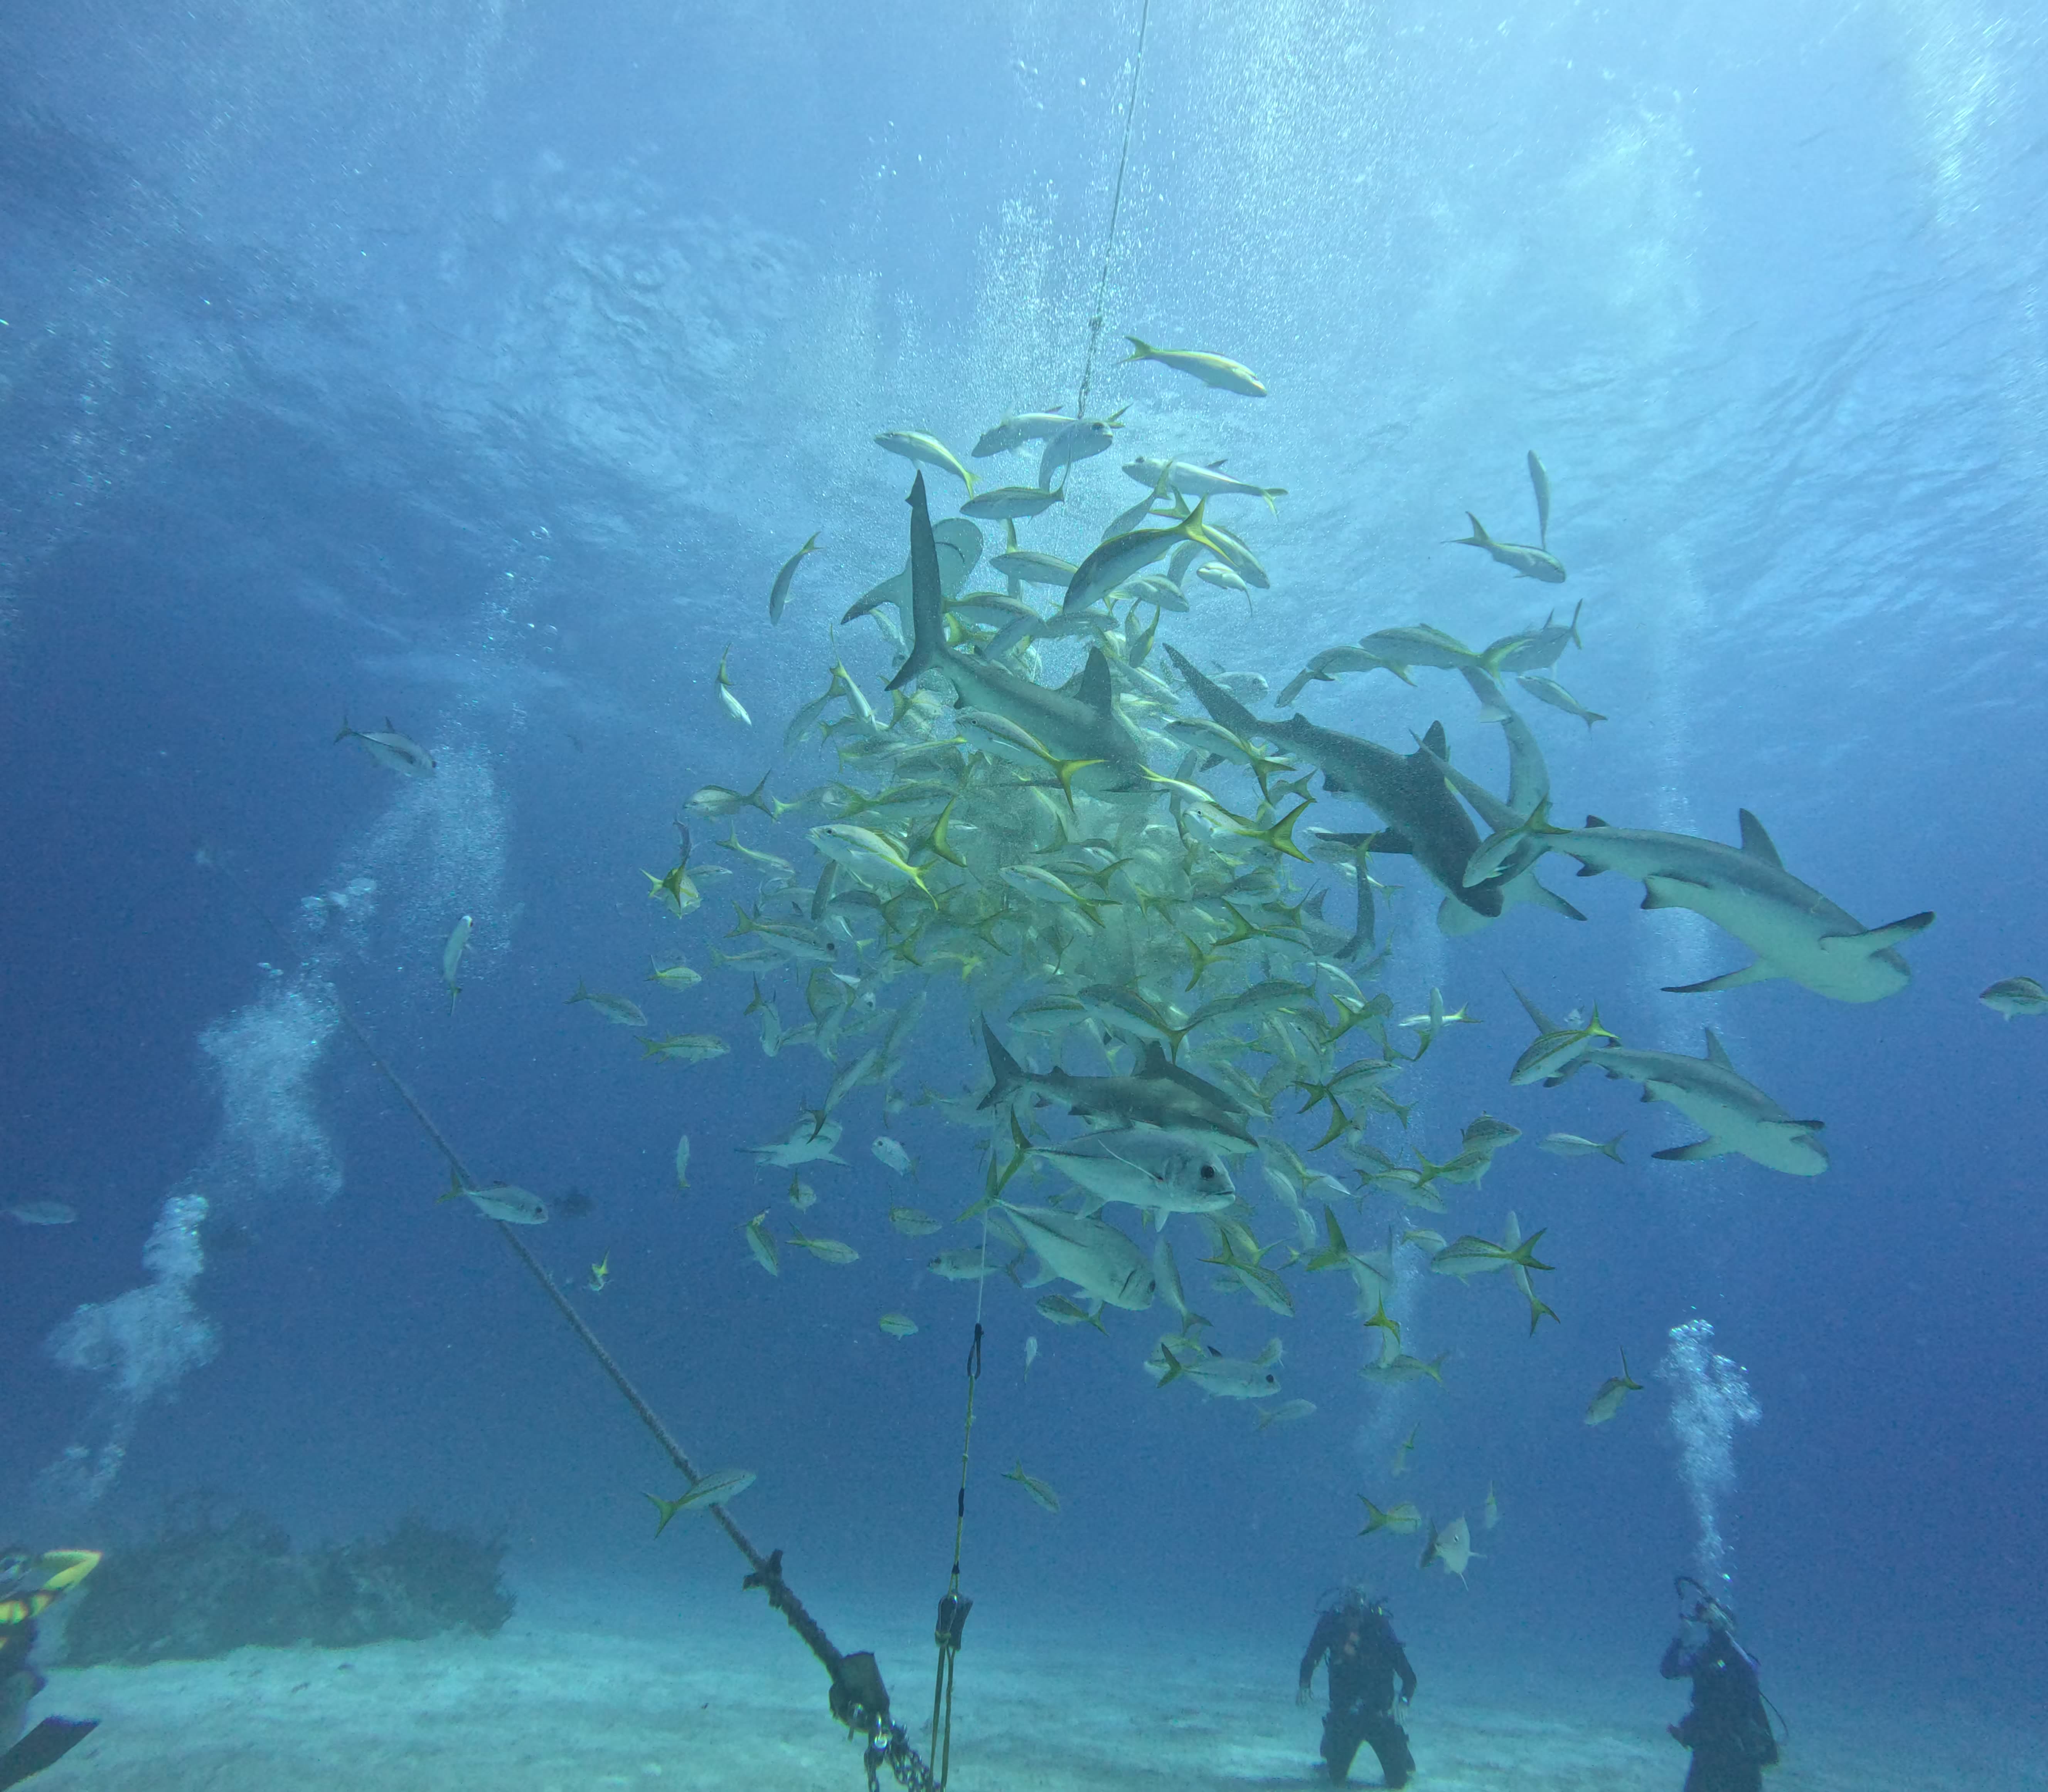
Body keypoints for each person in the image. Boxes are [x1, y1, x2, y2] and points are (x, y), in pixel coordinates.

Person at [0, 1547, 101, 1791]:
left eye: (11, 1568)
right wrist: (35, 1562)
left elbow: (89, 1561)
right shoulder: (27, 1605)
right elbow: (87, 1562)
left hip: (12, 1682)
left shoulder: (26, 1605)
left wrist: (36, 1560)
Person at [1660, 1585, 1778, 1792]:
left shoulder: (1741, 1658)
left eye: (1721, 1622)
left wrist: (1726, 1634)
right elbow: (1669, 1671)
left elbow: (1750, 1674)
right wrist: (1679, 1639)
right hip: (1708, 1740)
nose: (1715, 1627)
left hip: (1740, 1742)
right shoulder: (1703, 1656)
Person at [1297, 1587, 1416, 1787]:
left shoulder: (1380, 1631)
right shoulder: (1331, 1627)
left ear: (1364, 1614)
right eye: (1347, 1614)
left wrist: (1404, 1701)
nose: (1351, 1620)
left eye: (1356, 1614)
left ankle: (1401, 1755)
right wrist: (1304, 1684)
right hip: (1345, 1717)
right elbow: (1311, 1656)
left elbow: (1409, 1677)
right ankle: (1332, 1745)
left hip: (1379, 1716)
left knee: (1398, 1782)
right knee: (1336, 1779)